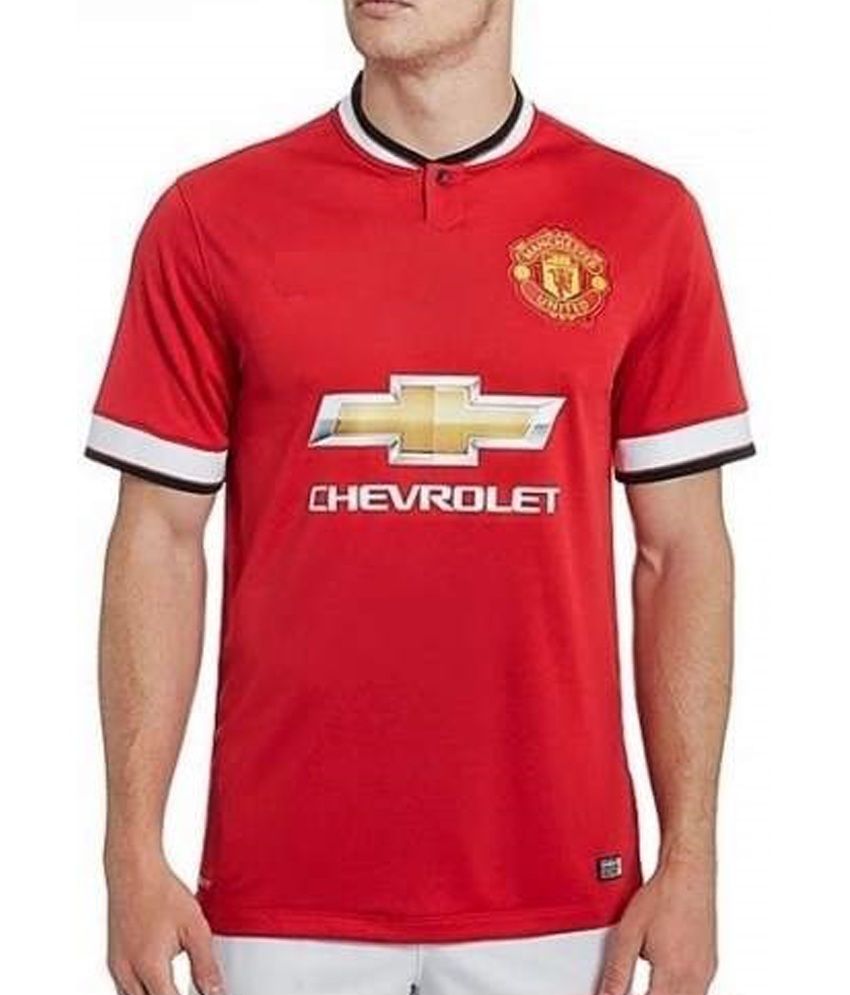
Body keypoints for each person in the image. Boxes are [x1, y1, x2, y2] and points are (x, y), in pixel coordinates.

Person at [87, 2, 754, 993]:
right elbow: (157, 537)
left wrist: (691, 854)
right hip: (279, 894)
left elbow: (682, 551)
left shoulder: (644, 218)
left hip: (567, 898)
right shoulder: (211, 218)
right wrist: (130, 850)